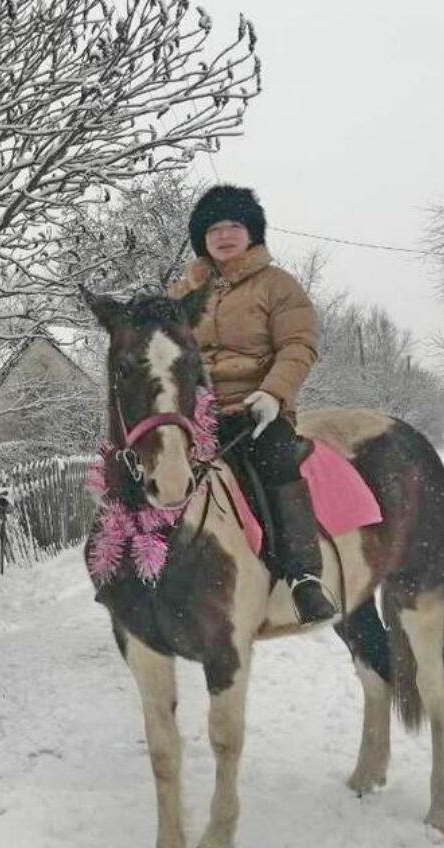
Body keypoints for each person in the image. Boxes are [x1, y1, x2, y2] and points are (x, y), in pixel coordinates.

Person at [170, 184, 337, 624]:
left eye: (235, 226)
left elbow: (299, 344)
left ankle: (303, 575)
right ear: (201, 237)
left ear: (252, 232)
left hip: (258, 411)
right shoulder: (182, 295)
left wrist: (273, 393)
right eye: (214, 228)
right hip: (198, 416)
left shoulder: (277, 285)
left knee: (275, 462)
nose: (224, 235)